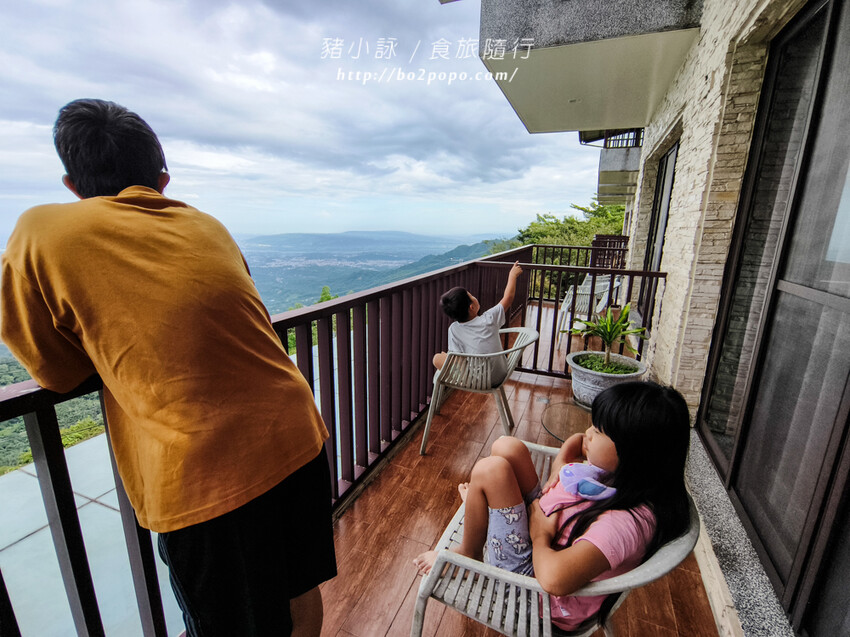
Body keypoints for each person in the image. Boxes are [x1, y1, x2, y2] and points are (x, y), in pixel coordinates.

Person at [0, 99, 336, 636]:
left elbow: (56, 374)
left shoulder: (39, 231)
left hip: (206, 471)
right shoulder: (205, 224)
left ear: (71, 185)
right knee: (299, 589)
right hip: (296, 432)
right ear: (162, 180)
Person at [413, 381, 691, 632]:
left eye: (598, 431)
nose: (587, 434)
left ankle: (470, 551)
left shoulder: (623, 525)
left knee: (491, 470)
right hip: (551, 526)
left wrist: (539, 534)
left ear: (634, 453)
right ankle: (486, 507)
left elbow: (554, 580)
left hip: (535, 594)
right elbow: (577, 445)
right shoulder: (629, 481)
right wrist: (561, 465)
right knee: (508, 447)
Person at [432, 261, 523, 385]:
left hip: (479, 381)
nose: (474, 297)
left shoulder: (454, 329)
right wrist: (512, 275)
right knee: (447, 357)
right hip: (501, 373)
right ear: (472, 307)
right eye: (471, 296)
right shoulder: (489, 318)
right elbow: (508, 297)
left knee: (437, 358)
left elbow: (458, 358)